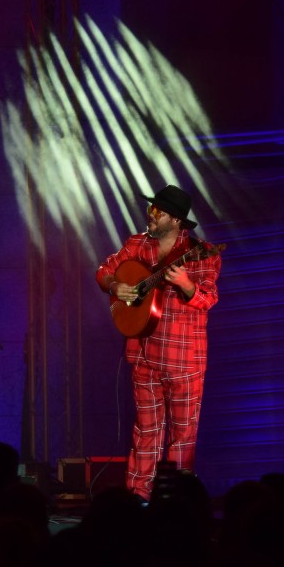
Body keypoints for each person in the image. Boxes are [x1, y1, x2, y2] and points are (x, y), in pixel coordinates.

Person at [96, 184, 221, 502]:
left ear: (176, 220)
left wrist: (185, 283)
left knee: (182, 435)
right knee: (145, 432)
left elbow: (207, 299)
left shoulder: (200, 252)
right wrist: (115, 285)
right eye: (151, 208)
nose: (150, 214)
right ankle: (138, 497)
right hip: (143, 355)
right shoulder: (137, 244)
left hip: (184, 359)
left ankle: (176, 501)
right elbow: (104, 270)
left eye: (158, 211)